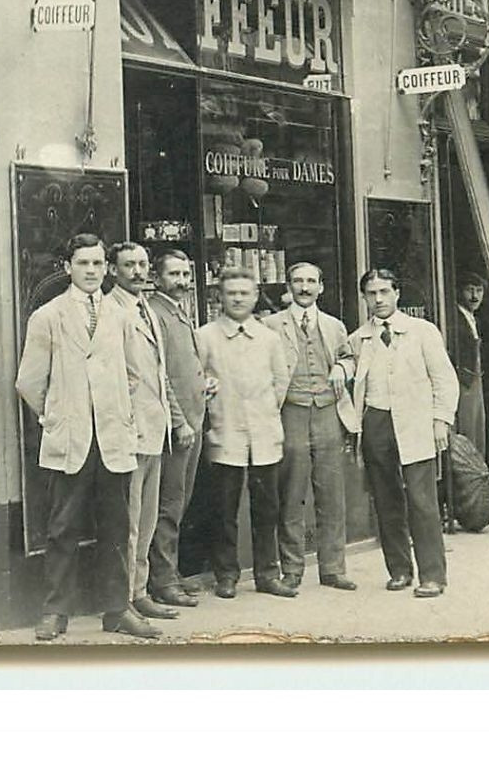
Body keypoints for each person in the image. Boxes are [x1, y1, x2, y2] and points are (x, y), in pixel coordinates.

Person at [15, 234, 155, 640]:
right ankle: (56, 611)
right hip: (70, 437)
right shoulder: (48, 316)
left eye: (97, 264)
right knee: (63, 527)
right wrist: (57, 412)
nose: (91, 271)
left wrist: (112, 408)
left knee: (116, 525)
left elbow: (133, 373)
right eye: (83, 264)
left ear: (106, 268)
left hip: (112, 437)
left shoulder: (120, 316)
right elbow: (28, 381)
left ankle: (116, 610)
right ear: (67, 268)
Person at [330, 268, 461, 598]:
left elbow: (445, 379)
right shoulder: (360, 337)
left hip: (416, 423)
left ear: (397, 293)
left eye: (384, 292)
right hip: (376, 422)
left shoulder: (422, 331)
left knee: (422, 501)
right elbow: (347, 362)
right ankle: (399, 570)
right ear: (364, 298)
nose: (378, 299)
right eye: (371, 294)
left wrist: (441, 420)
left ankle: (432, 575)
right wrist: (341, 368)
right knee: (387, 501)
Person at [106, 243, 192, 625]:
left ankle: (139, 593)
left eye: (142, 264)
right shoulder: (110, 311)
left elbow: (159, 376)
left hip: (155, 431)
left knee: (148, 519)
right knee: (129, 521)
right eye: (129, 265)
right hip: (128, 433)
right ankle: (121, 600)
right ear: (113, 269)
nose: (138, 272)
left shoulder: (149, 311)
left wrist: (174, 420)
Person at [195, 268, 294, 599]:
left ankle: (268, 573)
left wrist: (263, 414)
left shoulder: (269, 338)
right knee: (224, 511)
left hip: (264, 434)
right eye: (231, 292)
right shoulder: (206, 336)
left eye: (244, 293)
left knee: (267, 509)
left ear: (255, 296)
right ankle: (226, 575)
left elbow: (280, 383)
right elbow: (198, 383)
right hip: (225, 433)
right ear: (219, 297)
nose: (238, 298)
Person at [261, 262, 357, 591]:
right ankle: (292, 569)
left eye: (311, 281)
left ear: (321, 287)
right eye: (298, 281)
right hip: (291, 410)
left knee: (332, 493)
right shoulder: (270, 325)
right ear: (288, 286)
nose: (305, 287)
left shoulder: (333, 326)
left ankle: (333, 568)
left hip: (328, 410)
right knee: (291, 493)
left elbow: (348, 357)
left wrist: (343, 369)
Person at [146, 250, 210, 609]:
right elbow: (161, 374)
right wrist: (180, 421)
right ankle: (163, 581)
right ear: (158, 277)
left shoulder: (178, 311)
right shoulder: (157, 313)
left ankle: (170, 573)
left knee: (179, 502)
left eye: (186, 273)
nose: (183, 280)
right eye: (174, 274)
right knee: (168, 504)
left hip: (193, 420)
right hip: (177, 426)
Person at [454, 272, 487, 459]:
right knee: (467, 431)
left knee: (477, 428)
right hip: (463, 383)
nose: (475, 296)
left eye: (479, 291)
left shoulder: (474, 319)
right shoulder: (455, 317)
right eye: (469, 290)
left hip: (475, 380)